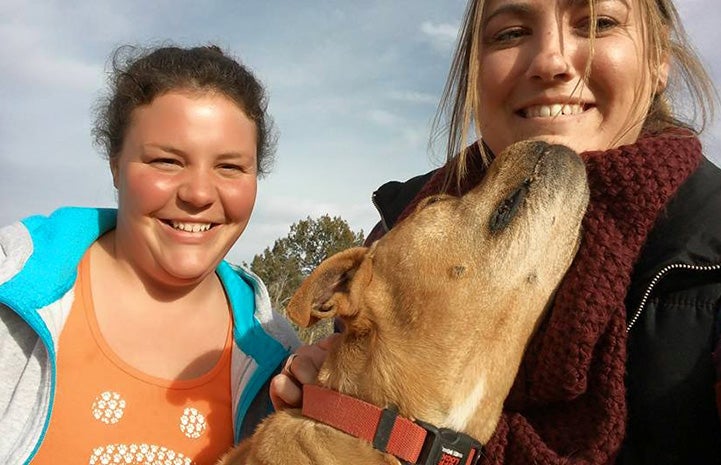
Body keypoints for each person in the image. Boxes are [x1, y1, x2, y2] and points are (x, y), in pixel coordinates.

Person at [270, 0, 721, 463]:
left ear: (659, 59)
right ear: (474, 70)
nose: (551, 61)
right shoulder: (397, 231)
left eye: (598, 22)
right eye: (509, 33)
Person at [0, 44, 300, 465]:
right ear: (115, 165)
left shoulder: (279, 360)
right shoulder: (11, 285)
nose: (198, 193)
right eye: (166, 161)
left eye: (230, 167)